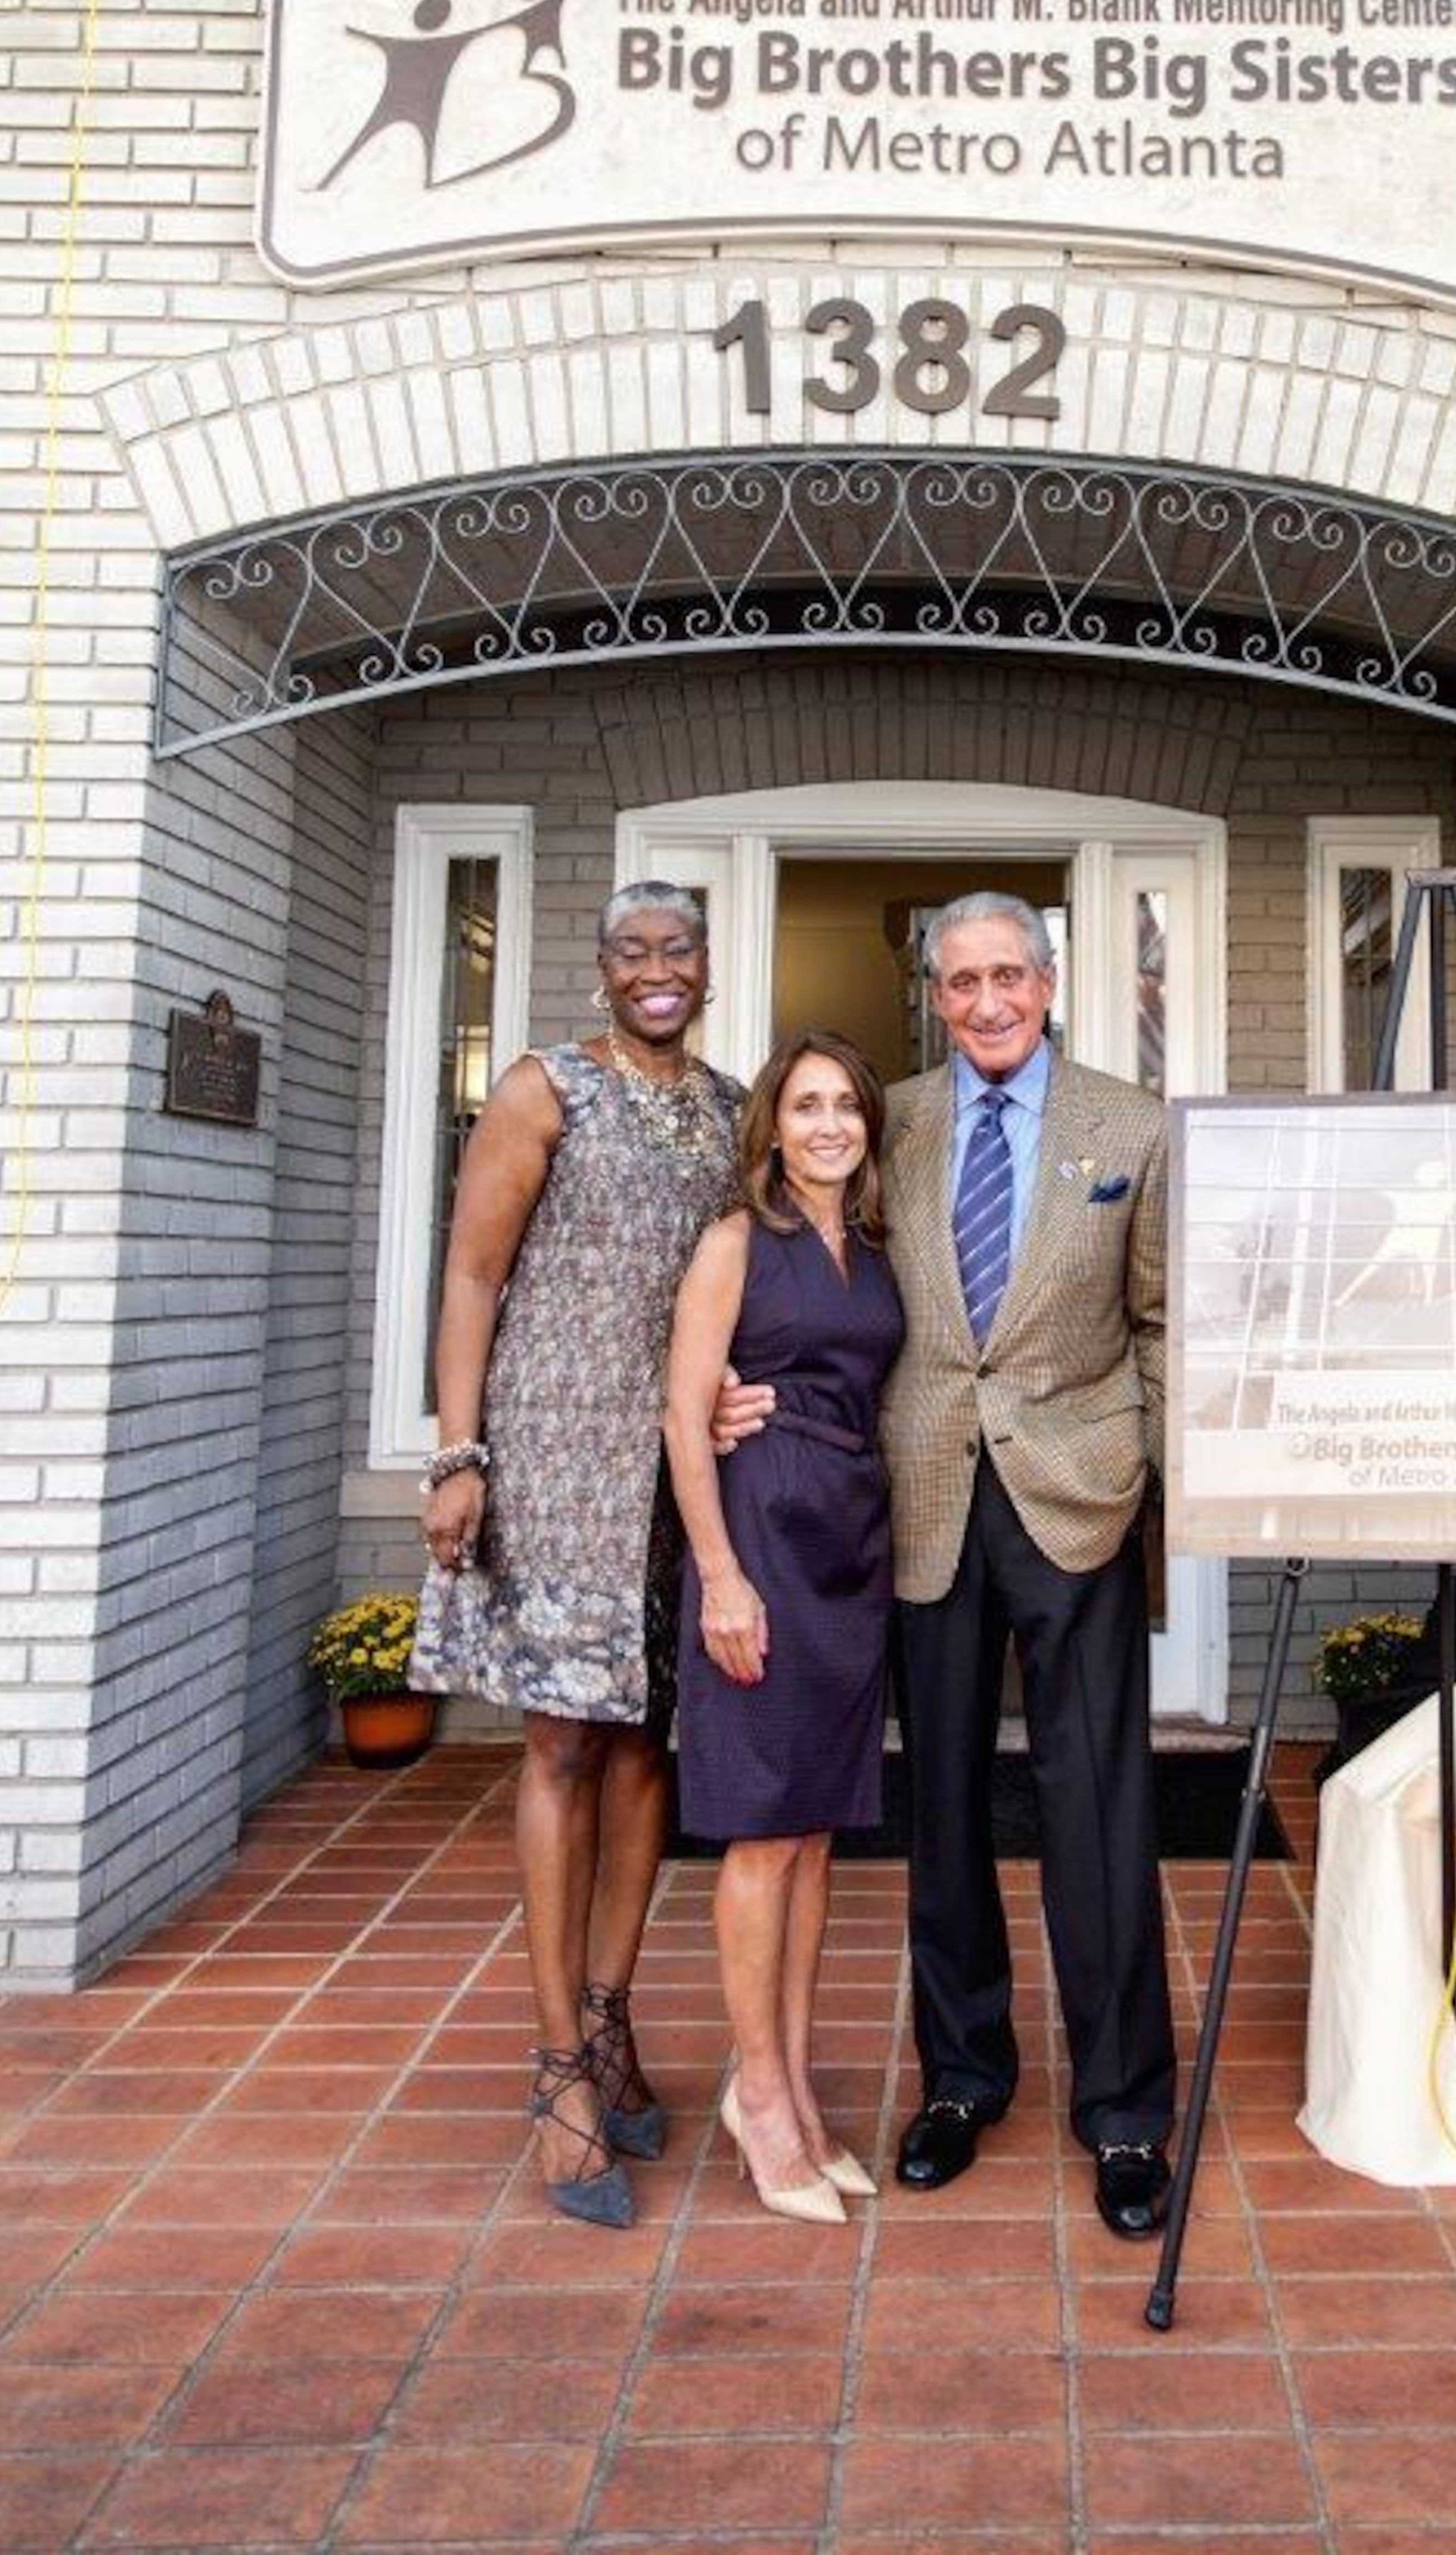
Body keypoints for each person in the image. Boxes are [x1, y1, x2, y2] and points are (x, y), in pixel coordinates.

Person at [718, 891, 1177, 2238]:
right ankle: (964, 2082)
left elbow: (1163, 1317)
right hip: (917, 1500)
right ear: (935, 994)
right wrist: (737, 1387)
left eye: (1008, 977)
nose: (987, 1003)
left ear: (1050, 982)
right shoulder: (892, 1122)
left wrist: (1147, 1467)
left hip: (1077, 1496)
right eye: (962, 981)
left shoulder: (1133, 1128)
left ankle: (1125, 2110)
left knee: (1100, 1807)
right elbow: (801, 1268)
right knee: (948, 1812)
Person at [412, 882, 742, 2227]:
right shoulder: (544, 1088)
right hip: (553, 1458)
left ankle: (610, 2018)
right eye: (631, 951)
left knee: (648, 1744)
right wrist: (458, 1450)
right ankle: (557, 2065)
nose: (657, 969)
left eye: (678, 949)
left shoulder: (728, 1110)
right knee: (561, 1744)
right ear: (602, 970)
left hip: (674, 1471)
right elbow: (472, 1276)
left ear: (705, 968)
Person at [662, 1032, 905, 2226]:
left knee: (814, 1836)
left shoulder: (873, 1247)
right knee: (763, 1835)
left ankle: (795, 2087)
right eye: (806, 1105)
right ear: (772, 1125)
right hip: (762, 1533)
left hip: (851, 1544)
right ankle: (756, 2093)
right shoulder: (736, 1241)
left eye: (846, 1105)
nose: (828, 1125)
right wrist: (720, 1576)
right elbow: (684, 1411)